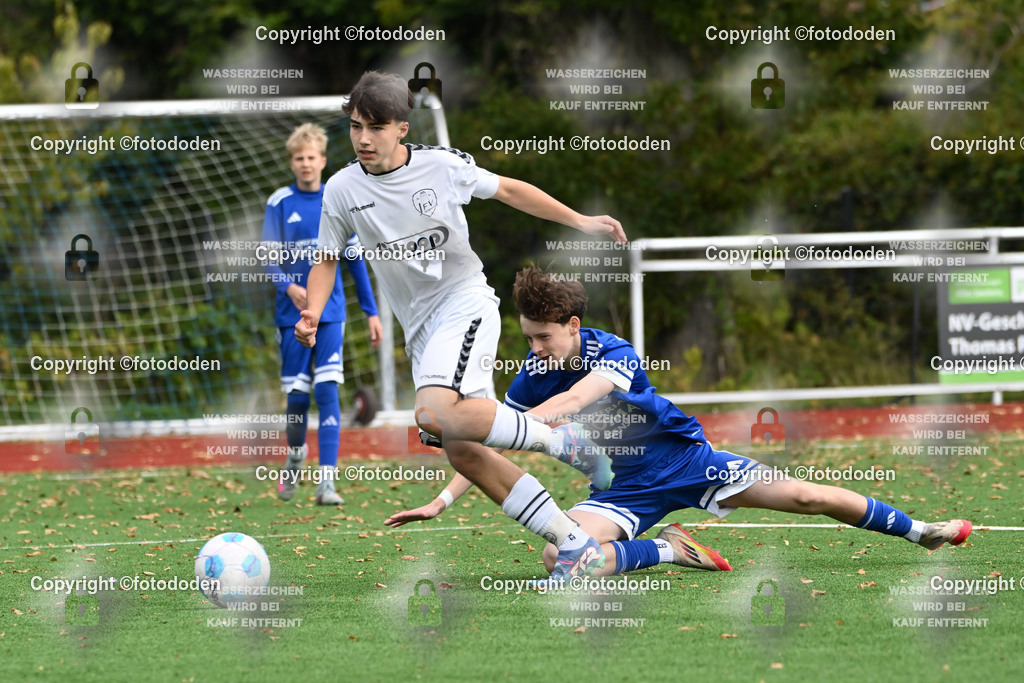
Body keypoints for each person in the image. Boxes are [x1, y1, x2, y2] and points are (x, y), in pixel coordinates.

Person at [384, 265, 973, 579]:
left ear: (571, 324)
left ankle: (923, 531)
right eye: (527, 338)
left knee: (805, 497)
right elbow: (493, 444)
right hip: (623, 491)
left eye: (543, 337)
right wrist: (443, 498)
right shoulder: (531, 377)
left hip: (690, 464)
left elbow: (566, 407)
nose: (534, 348)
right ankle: (671, 552)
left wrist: (500, 421)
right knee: (560, 557)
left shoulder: (611, 351)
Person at [294, 70, 623, 580]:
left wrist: (581, 221)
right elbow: (326, 258)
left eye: (376, 127)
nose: (363, 138)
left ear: (401, 127)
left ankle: (562, 442)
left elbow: (510, 190)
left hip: (463, 303)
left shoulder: (441, 167)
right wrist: (313, 310)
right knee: (464, 451)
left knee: (432, 414)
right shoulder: (341, 190)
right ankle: (574, 542)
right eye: (356, 125)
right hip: (420, 329)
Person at [261, 122, 382, 506]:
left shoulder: (337, 197)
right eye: (299, 158)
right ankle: (295, 456)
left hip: (331, 313)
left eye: (311, 157)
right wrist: (289, 286)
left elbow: (355, 261)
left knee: (327, 390)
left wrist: (372, 312)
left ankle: (327, 483)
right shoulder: (280, 202)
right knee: (297, 398)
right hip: (291, 317)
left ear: (323, 160)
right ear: (292, 163)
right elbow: (267, 258)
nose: (306, 163)